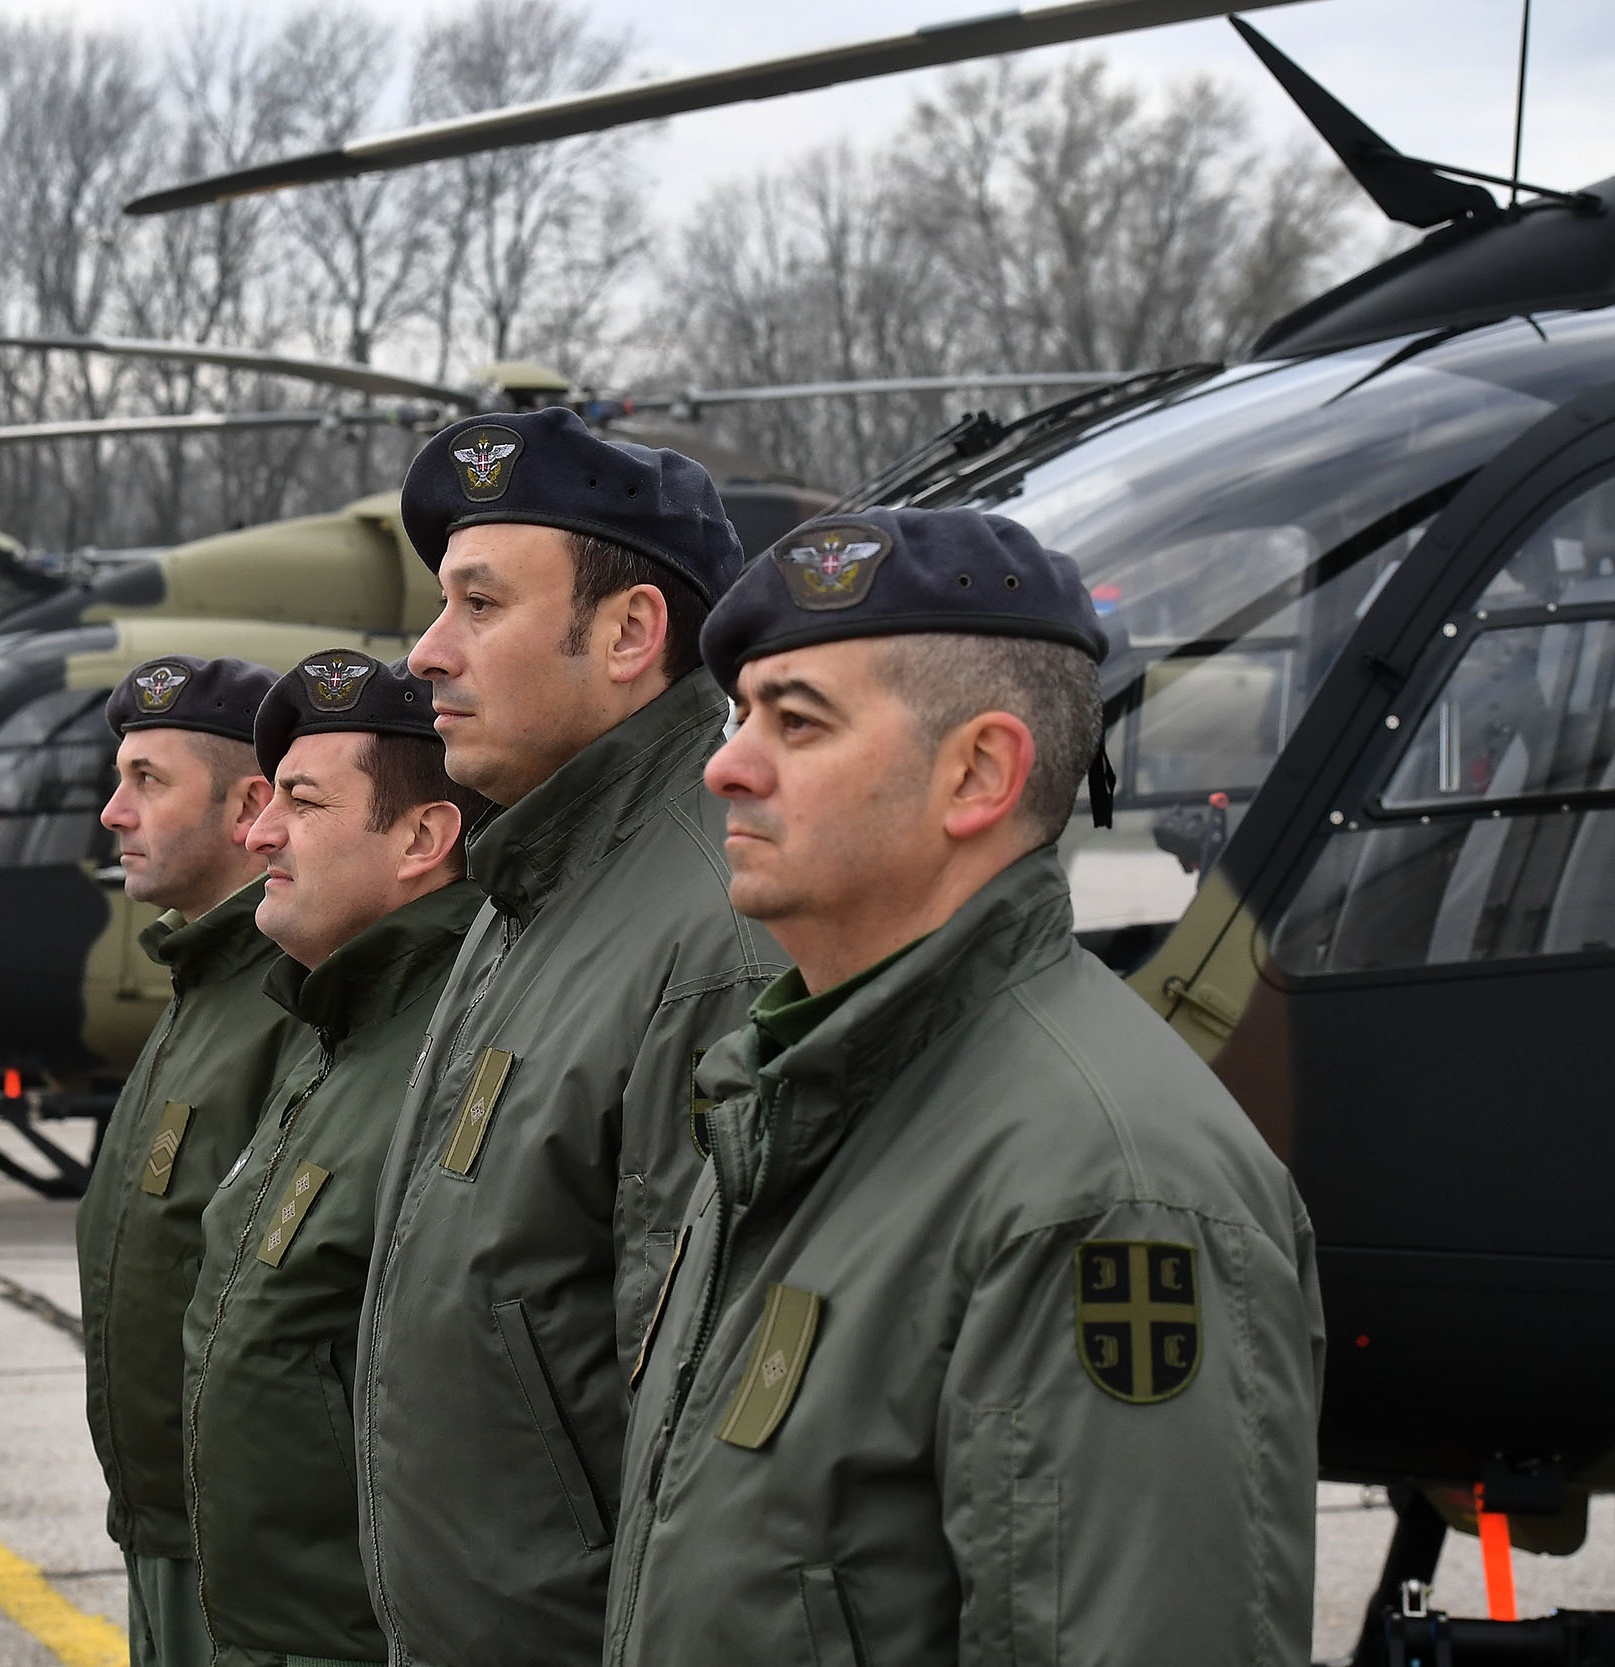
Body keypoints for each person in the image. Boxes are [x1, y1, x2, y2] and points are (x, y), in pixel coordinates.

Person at [605, 509, 1322, 1665]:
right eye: (741, 715)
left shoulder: (1106, 1183)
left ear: (979, 771)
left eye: (795, 720)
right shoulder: (795, 1091)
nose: (724, 761)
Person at [358, 407, 782, 1665]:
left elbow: (706, 1437)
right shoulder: (530, 880)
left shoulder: (711, 937)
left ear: (631, 633)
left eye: (479, 605)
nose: (427, 652)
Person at [180, 652, 488, 1667]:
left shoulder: (448, 1051)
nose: (259, 832)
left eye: (302, 804)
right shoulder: (341, 1030)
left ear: (421, 838)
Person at [76, 654, 304, 1667]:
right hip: (165, 1529)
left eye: (148, 780)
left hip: (245, 1560)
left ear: (248, 802)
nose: (112, 814)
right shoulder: (205, 983)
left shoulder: (290, 1003)